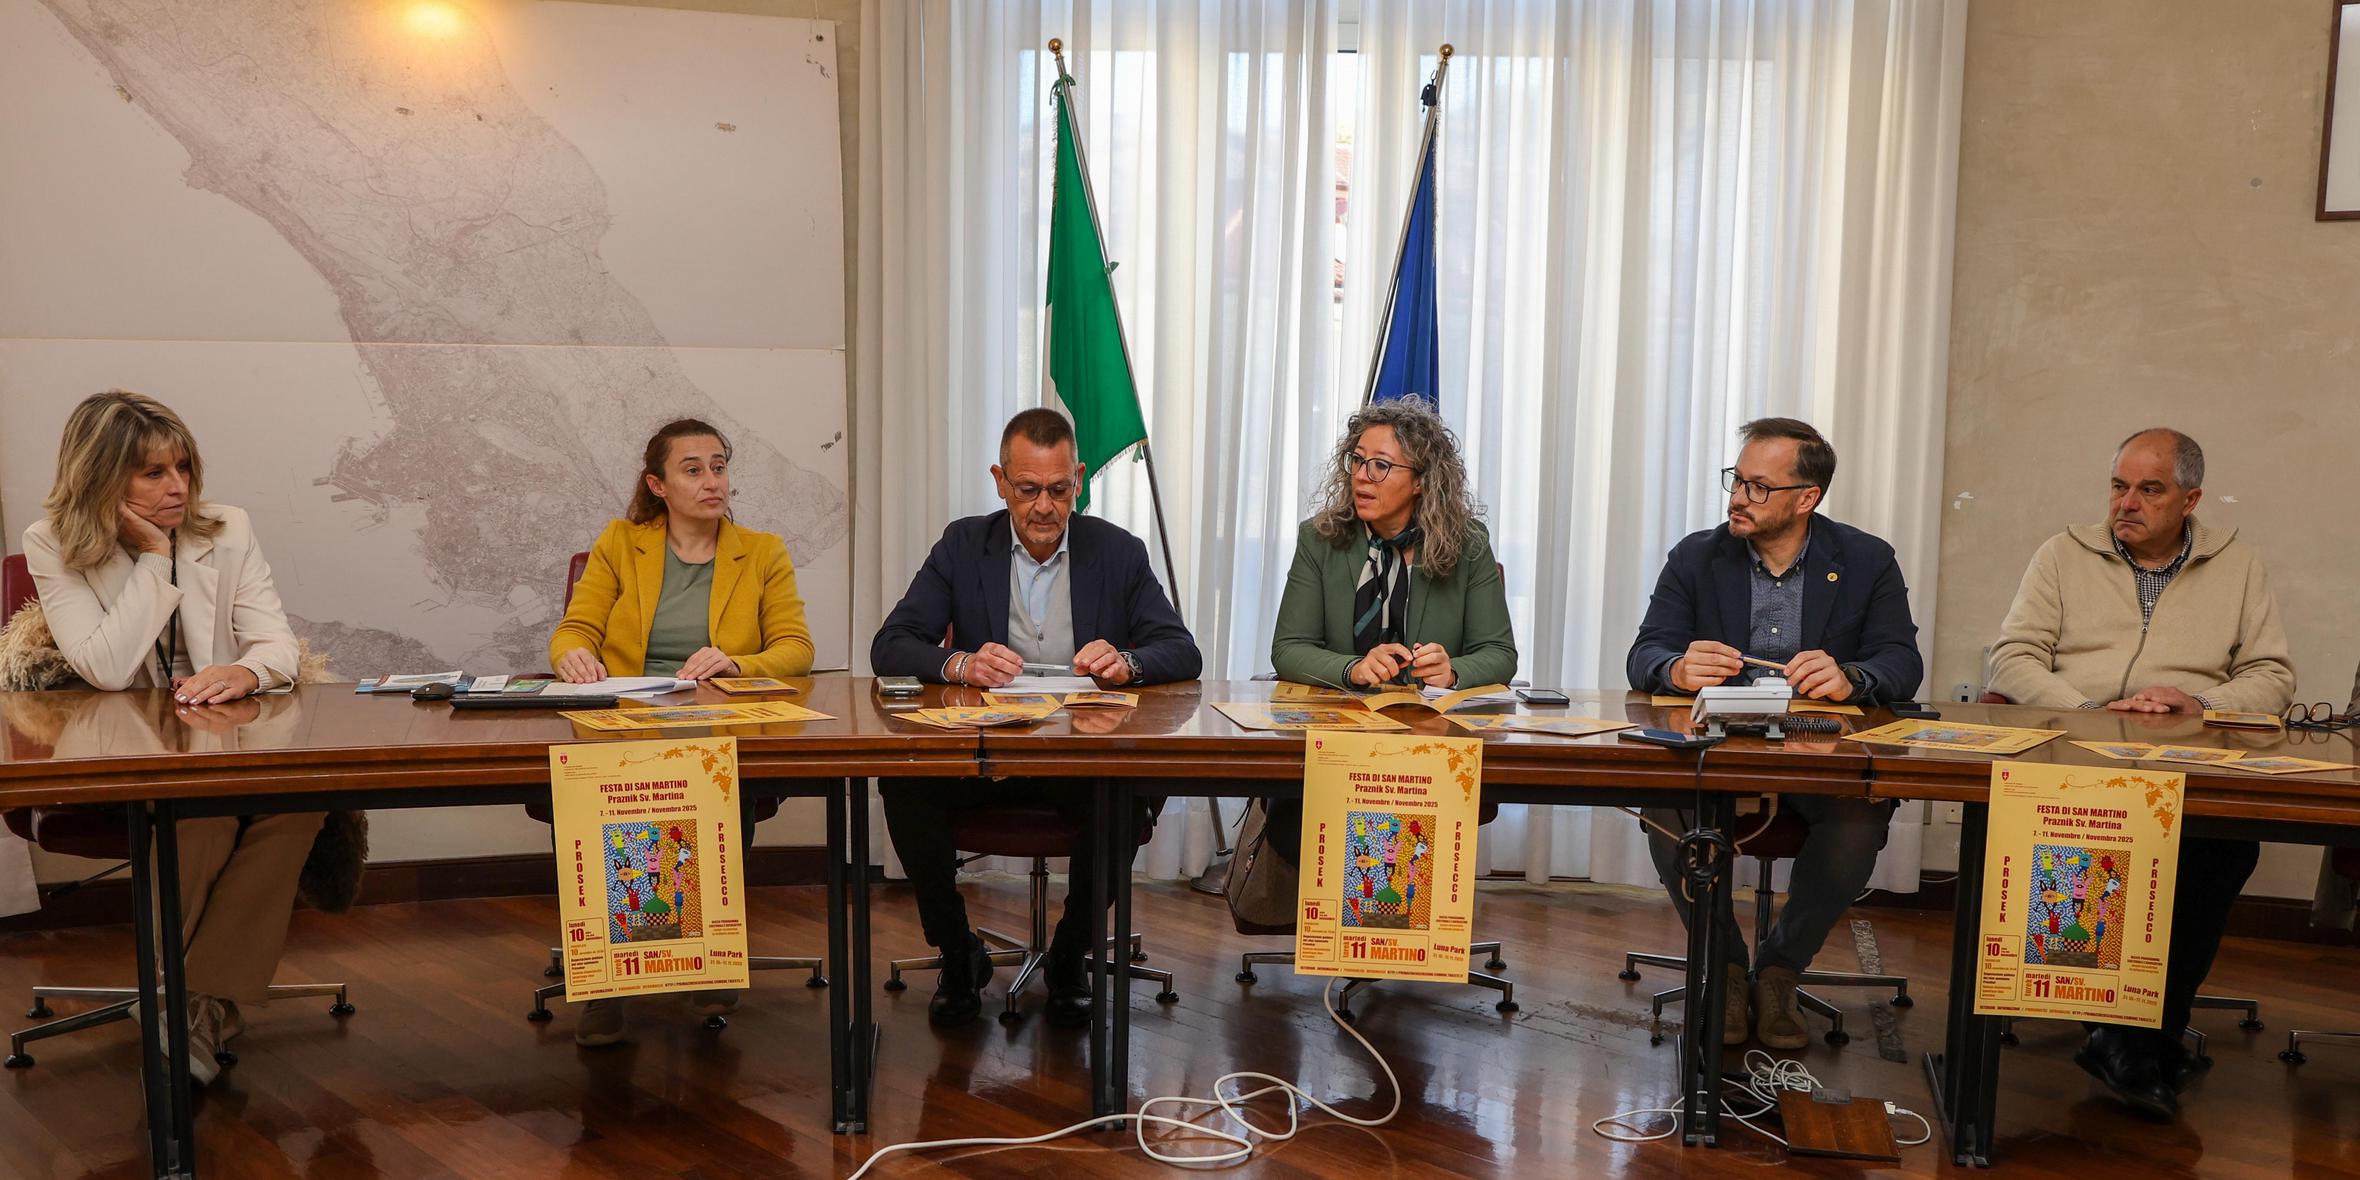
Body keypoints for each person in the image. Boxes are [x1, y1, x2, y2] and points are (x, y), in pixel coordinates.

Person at [1988, 427, 2293, 1120]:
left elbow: (2272, 675)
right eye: (2119, 486)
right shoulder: (2062, 554)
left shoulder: (2239, 565)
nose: (2127, 503)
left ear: (2191, 500)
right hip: (2077, 754)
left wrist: (2199, 703)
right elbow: (2013, 658)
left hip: (2189, 760)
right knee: (2095, 843)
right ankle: (2132, 1039)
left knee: (2224, 850)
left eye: (2149, 490)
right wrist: (2089, 712)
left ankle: (2135, 1034)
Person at [21, 390, 321, 1084]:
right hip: (118, 746)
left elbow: (277, 642)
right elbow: (103, 668)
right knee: (201, 814)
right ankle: (199, 1003)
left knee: (301, 802)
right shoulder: (53, 542)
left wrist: (245, 670)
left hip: (221, 738)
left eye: (183, 467)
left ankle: (191, 1002)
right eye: (153, 473)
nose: (178, 486)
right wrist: (156, 558)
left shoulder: (228, 528)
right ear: (102, 477)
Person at [871, 408, 1200, 1028]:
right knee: (904, 784)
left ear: (1079, 479)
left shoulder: (1117, 552)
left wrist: (1127, 662)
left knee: (1126, 797)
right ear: (1000, 482)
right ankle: (957, 952)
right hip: (986, 757)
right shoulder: (964, 545)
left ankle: (1072, 954)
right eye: (1027, 489)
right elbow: (890, 645)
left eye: (1058, 489)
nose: (1044, 507)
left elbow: (1182, 650)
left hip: (1082, 759)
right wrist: (961, 664)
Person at [1625, 417, 1923, 1050]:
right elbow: (1644, 653)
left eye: (1758, 487)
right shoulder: (1697, 556)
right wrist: (1675, 668)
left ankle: (1782, 969)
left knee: (1858, 820)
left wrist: (1852, 677)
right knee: (1666, 811)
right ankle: (1728, 970)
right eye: (1736, 479)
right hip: (1721, 754)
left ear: (1807, 497)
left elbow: (1901, 662)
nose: (1738, 497)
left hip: (1817, 753)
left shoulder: (1866, 560)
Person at [547, 417, 815, 1045]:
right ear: (657, 485)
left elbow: (796, 648)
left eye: (719, 467)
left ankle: (710, 957)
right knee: (600, 796)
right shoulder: (621, 544)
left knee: (714, 784)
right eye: (692, 470)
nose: (711, 481)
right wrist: (572, 655)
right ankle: (607, 985)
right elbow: (576, 629)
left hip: (716, 727)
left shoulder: (762, 552)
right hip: (628, 725)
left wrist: (737, 663)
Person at [1265, 396, 1517, 854]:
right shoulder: (1319, 539)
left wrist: (1452, 672)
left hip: (1430, 746)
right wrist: (1354, 668)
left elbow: (1499, 654)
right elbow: (1289, 648)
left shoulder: (1468, 545)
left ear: (1421, 480)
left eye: (1380, 465)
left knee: (1407, 839)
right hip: (1340, 741)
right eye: (1357, 460)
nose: (1362, 476)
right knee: (1308, 828)